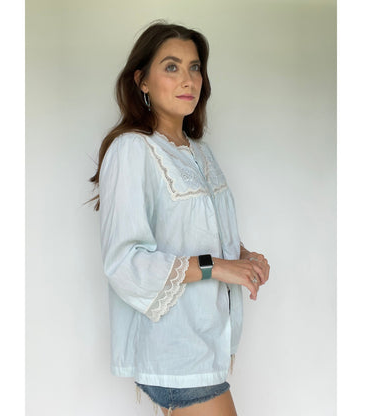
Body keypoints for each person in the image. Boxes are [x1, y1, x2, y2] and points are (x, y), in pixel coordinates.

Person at [89, 21, 270, 416]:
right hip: (174, 349)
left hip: (208, 343)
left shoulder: (200, 152)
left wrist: (244, 258)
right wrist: (218, 266)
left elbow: (197, 231)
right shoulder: (132, 150)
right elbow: (124, 262)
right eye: (171, 67)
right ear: (142, 80)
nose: (188, 79)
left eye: (195, 67)